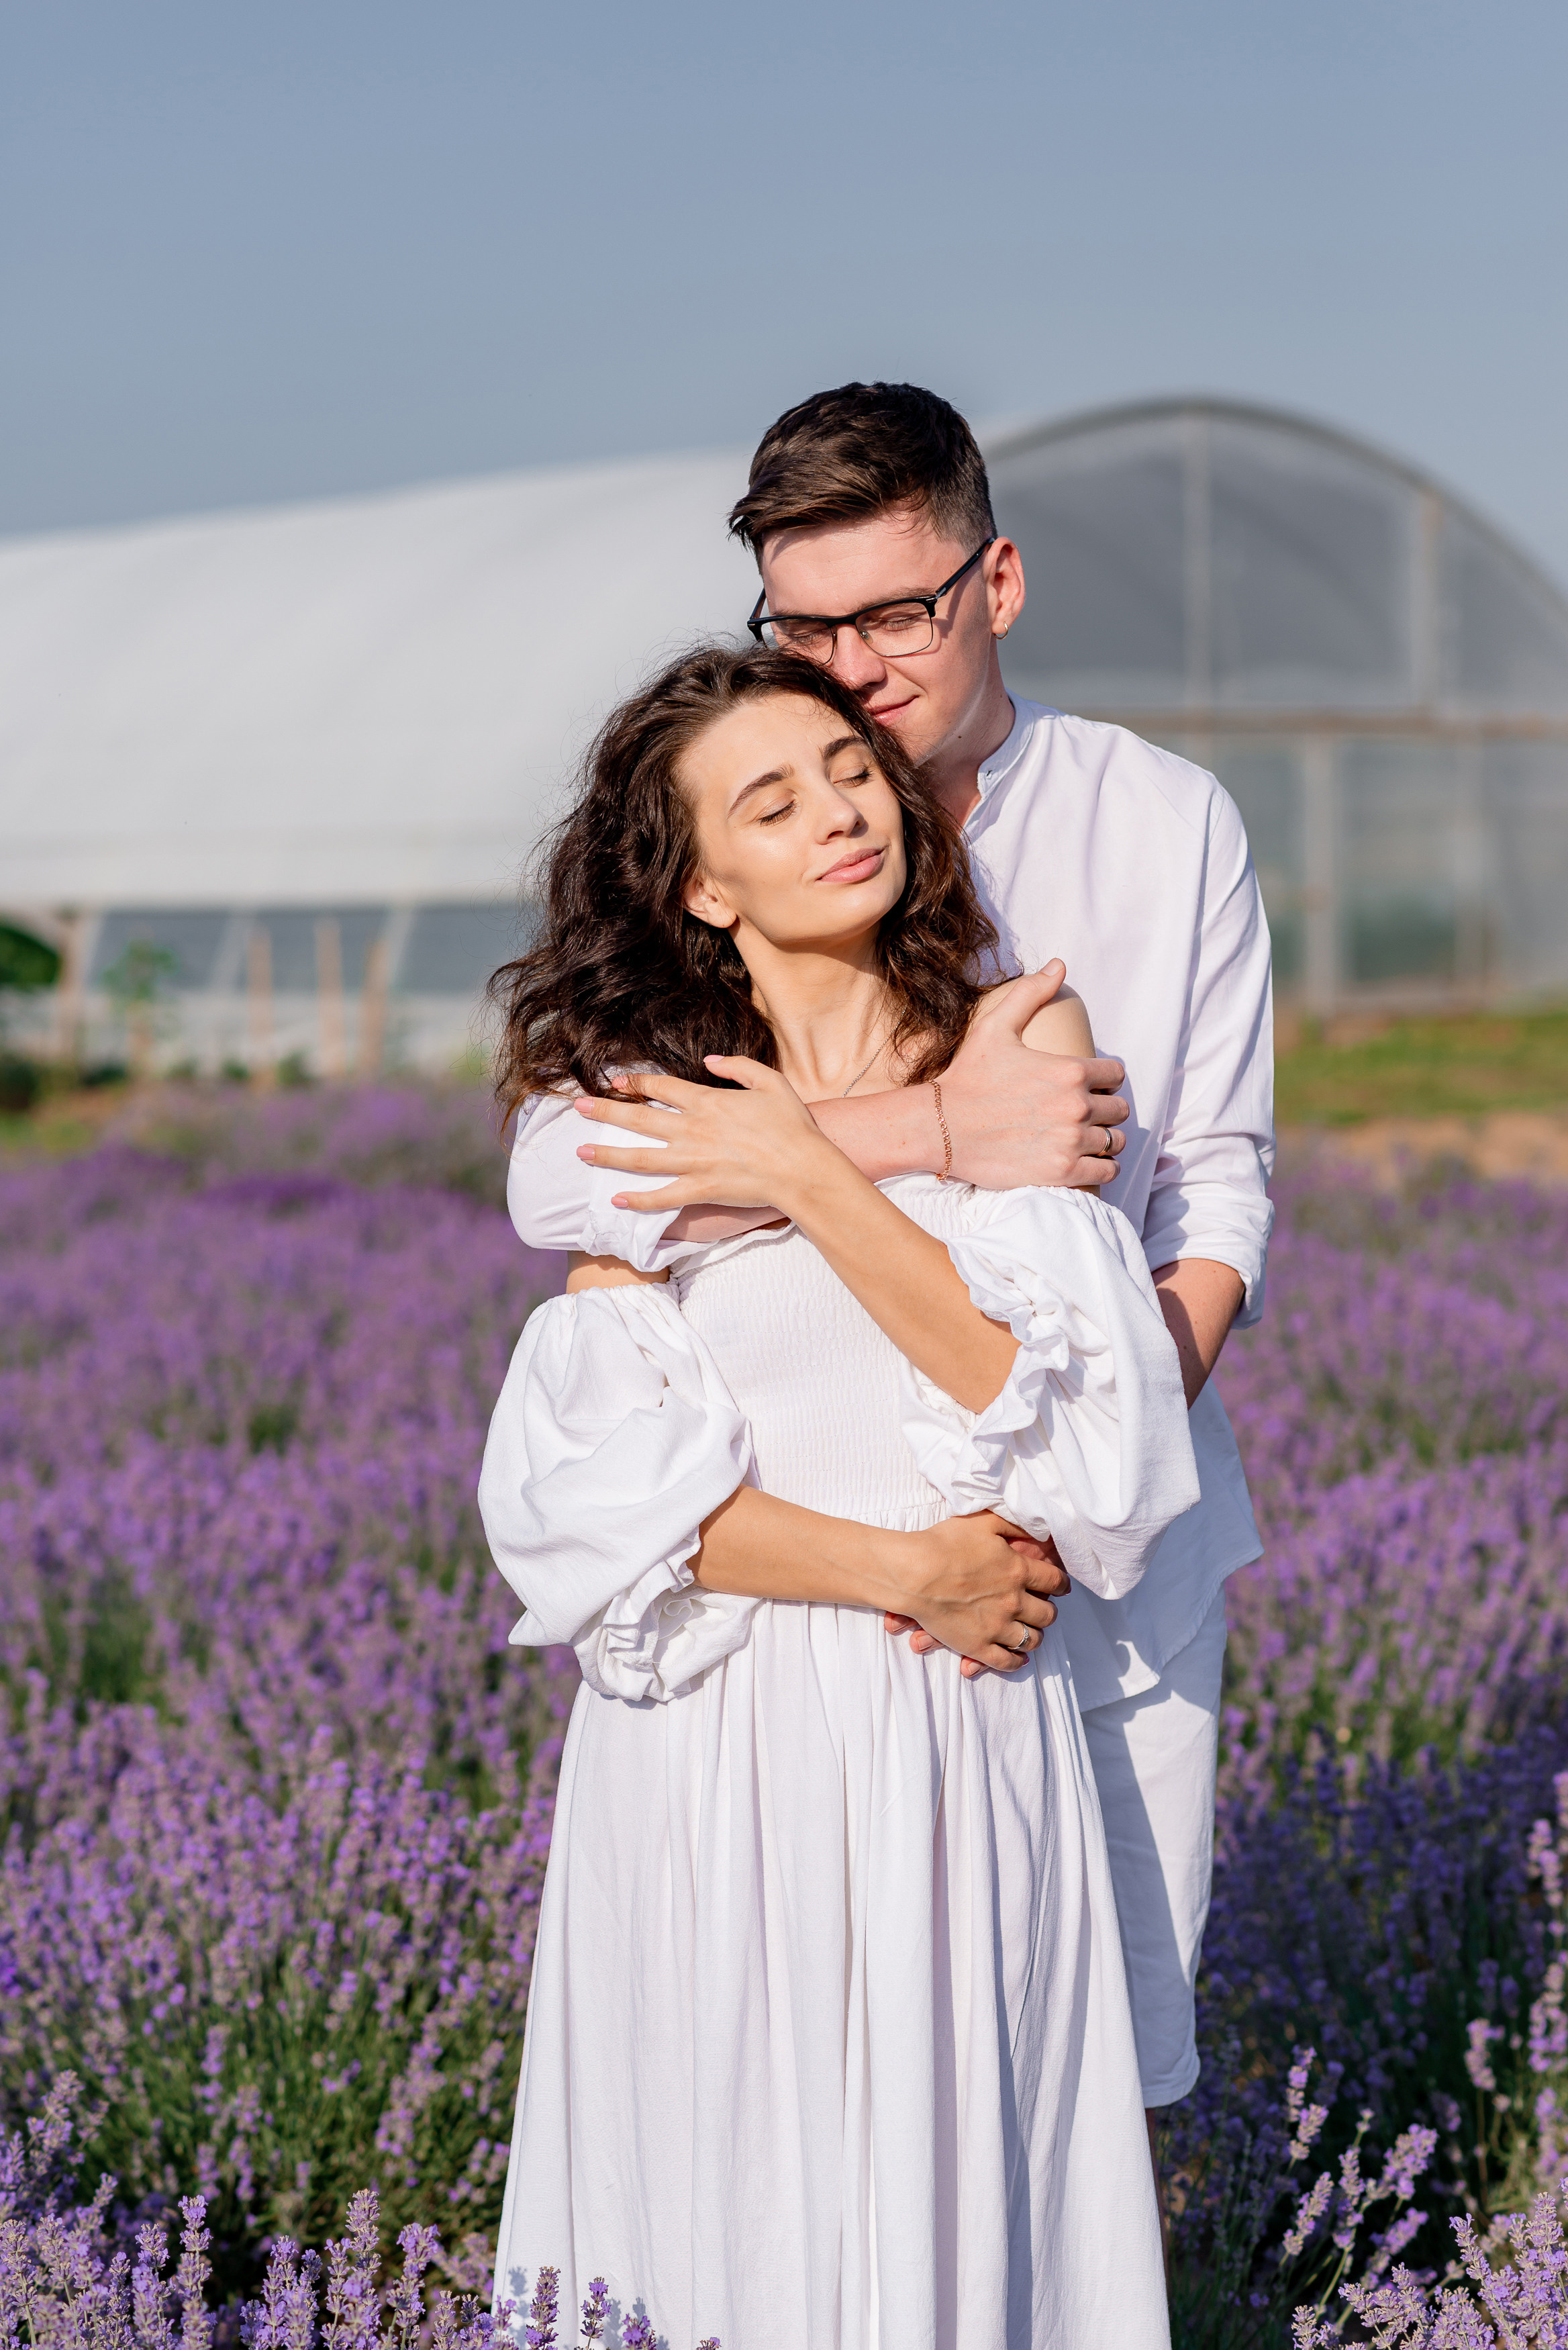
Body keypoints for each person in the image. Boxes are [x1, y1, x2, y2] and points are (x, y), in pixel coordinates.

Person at [508, 382, 1274, 2144]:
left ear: (995, 580)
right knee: (830, 2083)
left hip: (1106, 1551)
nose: (851, 666)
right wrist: (926, 1134)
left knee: (1087, 2072)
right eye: (805, 624)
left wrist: (1088, 1469)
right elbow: (569, 1174)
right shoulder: (741, 839)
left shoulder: (1164, 825)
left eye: (894, 615)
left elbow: (1218, 1193)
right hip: (827, 1578)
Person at [480, 645, 1201, 2346]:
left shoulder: (1021, 1035)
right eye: (771, 801)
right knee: (730, 2197)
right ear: (701, 886)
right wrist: (907, 1568)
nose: (840, 812)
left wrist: (809, 1164)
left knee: (958, 2210)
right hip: (730, 1733)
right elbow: (601, 1505)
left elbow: (1035, 1407)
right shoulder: (638, 1119)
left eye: (848, 768)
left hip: (957, 1735)